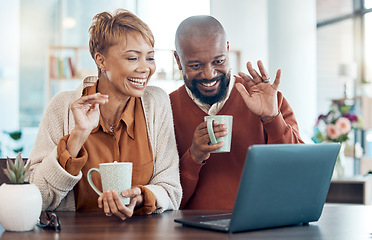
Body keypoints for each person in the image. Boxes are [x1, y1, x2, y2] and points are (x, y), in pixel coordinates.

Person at [28, 9, 181, 220]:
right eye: (133, 58)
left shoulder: (157, 103)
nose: (146, 68)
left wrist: (142, 197)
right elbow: (36, 196)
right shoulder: (62, 107)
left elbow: (171, 190)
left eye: (150, 57)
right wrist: (78, 135)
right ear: (101, 61)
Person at [170, 15, 304, 210]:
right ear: (178, 60)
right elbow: (166, 202)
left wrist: (272, 119)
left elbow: (299, 175)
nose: (209, 74)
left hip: (260, 227)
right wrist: (193, 156)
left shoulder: (269, 100)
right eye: (195, 65)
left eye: (218, 61)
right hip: (192, 231)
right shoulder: (166, 108)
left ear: (227, 49)